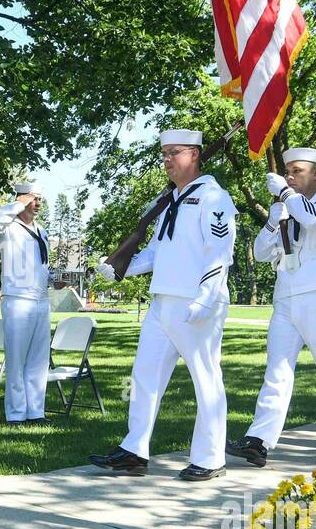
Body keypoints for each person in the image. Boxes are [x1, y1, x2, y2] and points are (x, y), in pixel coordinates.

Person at [91, 127, 236, 481]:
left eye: (175, 152)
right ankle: (135, 449)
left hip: (196, 302)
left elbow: (220, 253)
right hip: (162, 301)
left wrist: (206, 296)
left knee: (205, 378)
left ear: (195, 155)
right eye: (164, 154)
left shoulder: (214, 198)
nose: (167, 160)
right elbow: (158, 250)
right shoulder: (170, 200)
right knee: (144, 377)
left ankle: (210, 456)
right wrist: (121, 271)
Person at [227, 148, 316, 468]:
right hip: (285, 297)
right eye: (288, 172)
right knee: (277, 370)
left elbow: (312, 219)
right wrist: (272, 222)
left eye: (297, 171)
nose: (290, 176)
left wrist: (285, 195)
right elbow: (259, 251)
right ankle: (259, 440)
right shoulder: (287, 208)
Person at [0, 183, 52, 424]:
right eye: (33, 199)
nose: (37, 204)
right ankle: (15, 414)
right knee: (16, 359)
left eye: (39, 200)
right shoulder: (8, 228)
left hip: (41, 299)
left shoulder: (42, 231)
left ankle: (35, 412)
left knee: (38, 359)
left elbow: (41, 266)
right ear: (22, 199)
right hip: (17, 299)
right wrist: (17, 204)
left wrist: (55, 280)